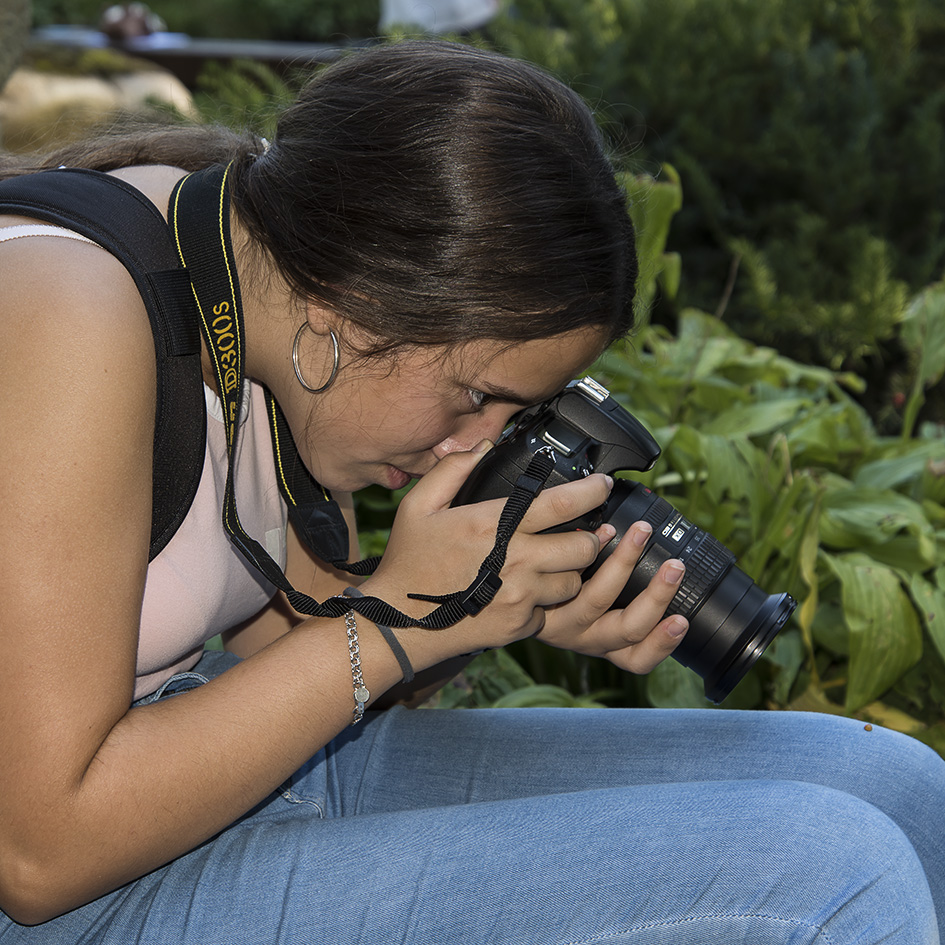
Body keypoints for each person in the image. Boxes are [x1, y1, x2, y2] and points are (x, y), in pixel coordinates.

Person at [0, 39, 942, 945]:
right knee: (829, 872)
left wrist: (486, 604)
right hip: (71, 887)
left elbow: (294, 647)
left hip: (188, 795)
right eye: (481, 395)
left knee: (890, 783)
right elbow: (38, 854)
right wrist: (409, 618)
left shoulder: (260, 281)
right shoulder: (67, 317)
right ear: (353, 305)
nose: (478, 443)